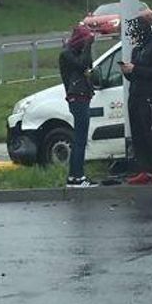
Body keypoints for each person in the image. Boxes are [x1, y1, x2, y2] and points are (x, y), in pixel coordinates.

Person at [120, 11, 152, 185]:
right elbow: (135, 76)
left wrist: (136, 69)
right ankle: (144, 169)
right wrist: (127, 72)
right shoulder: (137, 49)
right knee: (138, 133)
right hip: (136, 95)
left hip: (150, 97)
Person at [60, 25, 98, 187]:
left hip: (83, 96)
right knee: (79, 140)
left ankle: (76, 175)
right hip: (77, 98)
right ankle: (76, 176)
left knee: (80, 139)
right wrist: (88, 45)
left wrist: (87, 48)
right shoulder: (67, 54)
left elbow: (88, 65)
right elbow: (82, 65)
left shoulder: (75, 52)